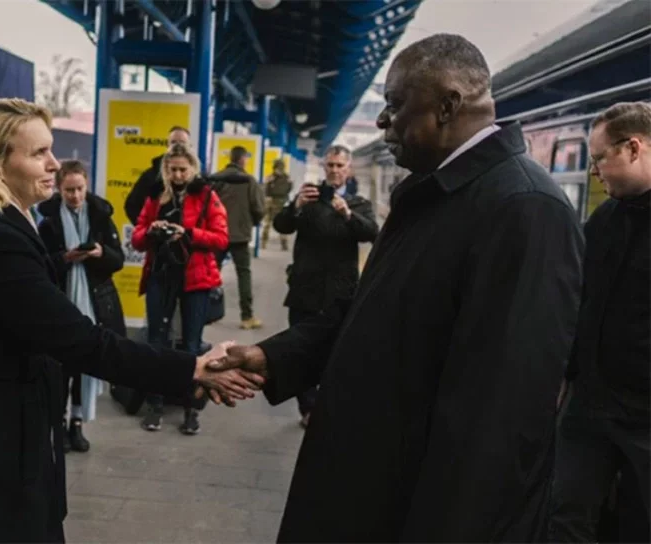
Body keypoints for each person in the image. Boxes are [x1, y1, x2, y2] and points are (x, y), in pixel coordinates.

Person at [210, 33, 584, 541]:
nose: (383, 121)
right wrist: (273, 357)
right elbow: (369, 310)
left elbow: (501, 416)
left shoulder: (525, 210)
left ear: (447, 106)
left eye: (395, 104)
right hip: (369, 480)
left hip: (406, 505)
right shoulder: (438, 192)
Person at [0, 99, 258, 543]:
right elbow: (82, 342)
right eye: (38, 153)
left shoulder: (1, 227)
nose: (54, 164)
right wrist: (193, 368)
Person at [549, 102, 651, 541]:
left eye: (599, 158)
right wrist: (566, 376)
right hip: (590, 404)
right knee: (565, 512)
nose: (593, 171)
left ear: (633, 148)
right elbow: (581, 299)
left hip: (646, 412)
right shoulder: (604, 220)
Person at [272, 144, 378, 428]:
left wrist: (347, 215)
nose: (334, 170)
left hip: (341, 293)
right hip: (305, 289)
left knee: (336, 352)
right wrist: (295, 206)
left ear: (348, 169)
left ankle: (328, 404)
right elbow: (281, 226)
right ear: (324, 167)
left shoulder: (358, 204)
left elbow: (372, 233)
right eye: (330, 165)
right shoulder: (308, 198)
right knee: (300, 351)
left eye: (340, 165)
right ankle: (308, 408)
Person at [132, 143, 229, 435]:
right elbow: (137, 238)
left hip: (195, 279)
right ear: (165, 169)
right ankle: (155, 405)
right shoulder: (155, 196)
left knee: (191, 345)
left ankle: (191, 409)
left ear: (193, 169)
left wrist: (187, 233)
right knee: (156, 343)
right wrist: (151, 231)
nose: (177, 175)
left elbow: (221, 238)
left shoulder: (207, 195)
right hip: (161, 275)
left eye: (182, 170)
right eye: (172, 169)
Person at [39, 159, 126, 453]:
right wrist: (65, 259)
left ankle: (77, 423)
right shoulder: (48, 222)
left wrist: (100, 253)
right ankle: (59, 423)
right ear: (59, 190)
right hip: (61, 303)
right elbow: (40, 265)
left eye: (80, 189)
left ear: (87, 186)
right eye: (69, 190)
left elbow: (118, 260)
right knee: (60, 369)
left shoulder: (101, 217)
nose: (75, 196)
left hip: (95, 303)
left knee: (84, 367)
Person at [212, 145, 265, 329]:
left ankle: (207, 311)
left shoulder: (216, 178)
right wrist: (253, 222)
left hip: (217, 233)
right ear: (242, 159)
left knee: (212, 273)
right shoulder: (249, 180)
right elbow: (258, 208)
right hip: (240, 236)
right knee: (243, 274)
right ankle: (247, 317)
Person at [124, 126, 191, 225]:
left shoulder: (198, 180)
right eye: (173, 142)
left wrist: (191, 232)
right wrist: (148, 229)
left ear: (190, 146)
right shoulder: (150, 176)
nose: (177, 146)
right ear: (167, 146)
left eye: (182, 143)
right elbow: (132, 206)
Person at [261, 158, 293, 250]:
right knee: (267, 224)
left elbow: (289, 188)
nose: (279, 170)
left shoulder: (287, 178)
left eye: (280, 168)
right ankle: (263, 243)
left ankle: (284, 244)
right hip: (272, 202)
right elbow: (266, 189)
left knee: (282, 224)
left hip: (281, 202)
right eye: (278, 168)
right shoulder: (272, 178)